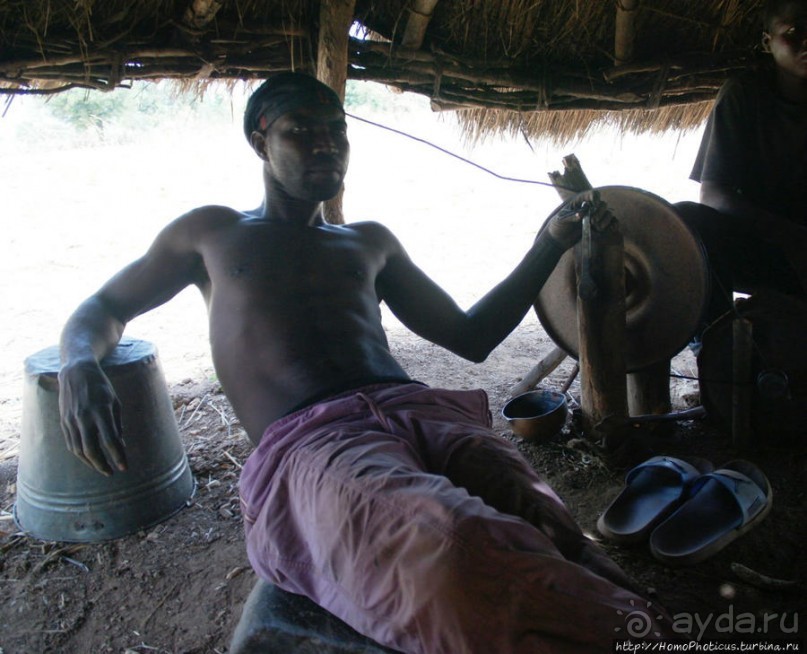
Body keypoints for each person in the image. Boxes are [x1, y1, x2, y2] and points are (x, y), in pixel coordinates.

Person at [58, 72, 668, 653]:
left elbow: (472, 335)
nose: (326, 145)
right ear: (258, 141)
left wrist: (548, 245)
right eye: (301, 131)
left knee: (549, 524)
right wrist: (79, 362)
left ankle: (630, 620)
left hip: (421, 411)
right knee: (451, 545)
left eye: (337, 131)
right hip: (314, 439)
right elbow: (105, 306)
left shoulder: (368, 242)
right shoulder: (212, 234)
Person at [677, 0, 807, 326]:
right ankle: (714, 340)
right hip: (762, 247)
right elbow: (714, 196)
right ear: (768, 42)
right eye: (794, 32)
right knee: (689, 221)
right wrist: (792, 236)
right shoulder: (744, 96)